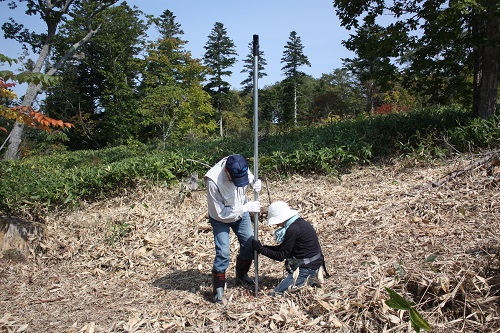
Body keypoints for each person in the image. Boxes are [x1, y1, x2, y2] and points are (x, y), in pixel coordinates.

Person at [205, 154, 262, 303]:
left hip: (240, 212)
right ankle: (218, 289)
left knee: (249, 244)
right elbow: (221, 213)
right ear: (226, 172)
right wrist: (245, 208)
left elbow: (248, 177)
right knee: (223, 252)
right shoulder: (212, 181)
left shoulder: (239, 163)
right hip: (220, 219)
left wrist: (254, 183)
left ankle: (241, 276)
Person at [252, 201, 327, 296]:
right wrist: (263, 248)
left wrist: (261, 249)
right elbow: (284, 248)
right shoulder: (298, 223)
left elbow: (281, 255)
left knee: (276, 294)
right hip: (313, 263)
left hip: (308, 268)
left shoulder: (293, 229)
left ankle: (309, 280)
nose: (276, 225)